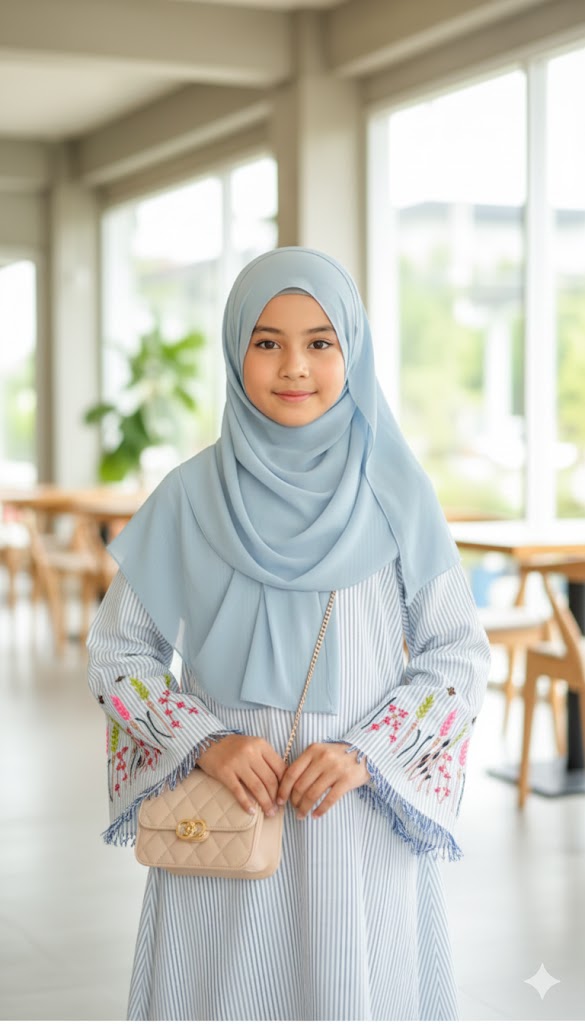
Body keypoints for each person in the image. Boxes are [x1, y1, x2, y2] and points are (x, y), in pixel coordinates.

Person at [87, 246, 490, 1022]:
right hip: (225, 819)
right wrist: (207, 740)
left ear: (352, 350)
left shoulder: (397, 493)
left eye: (320, 342)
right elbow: (118, 655)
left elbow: (457, 657)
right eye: (266, 341)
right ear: (236, 352)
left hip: (356, 824)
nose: (293, 366)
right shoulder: (186, 497)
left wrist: (365, 754)